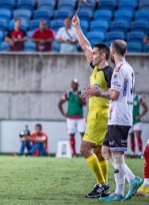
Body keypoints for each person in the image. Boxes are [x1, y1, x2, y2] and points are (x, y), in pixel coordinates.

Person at [83, 40, 142, 201]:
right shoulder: (129, 68)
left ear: (112, 52)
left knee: (116, 154)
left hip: (119, 116)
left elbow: (114, 95)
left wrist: (98, 92)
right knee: (105, 151)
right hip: (120, 115)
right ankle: (131, 180)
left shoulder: (117, 70)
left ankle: (120, 191)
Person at [72, 14, 113, 198]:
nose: (91, 55)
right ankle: (104, 186)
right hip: (94, 114)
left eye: (95, 53)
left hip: (101, 115)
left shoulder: (109, 72)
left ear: (103, 56)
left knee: (84, 149)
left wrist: (98, 93)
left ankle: (101, 184)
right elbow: (84, 46)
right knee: (97, 151)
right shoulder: (96, 67)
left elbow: (116, 95)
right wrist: (77, 27)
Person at [58, 79, 86, 158]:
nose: (74, 85)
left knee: (83, 134)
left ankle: (84, 151)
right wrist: (64, 114)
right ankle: (74, 153)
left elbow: (84, 103)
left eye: (76, 84)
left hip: (80, 117)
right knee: (71, 134)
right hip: (70, 117)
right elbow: (59, 103)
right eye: (73, 84)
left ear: (78, 85)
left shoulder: (81, 93)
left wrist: (79, 97)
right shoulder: (68, 93)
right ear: (71, 85)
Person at [129, 92, 148, 158]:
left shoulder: (138, 97)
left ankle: (140, 153)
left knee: (138, 136)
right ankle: (132, 154)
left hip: (137, 121)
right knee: (131, 137)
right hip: (129, 120)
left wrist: (140, 116)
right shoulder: (127, 97)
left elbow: (146, 108)